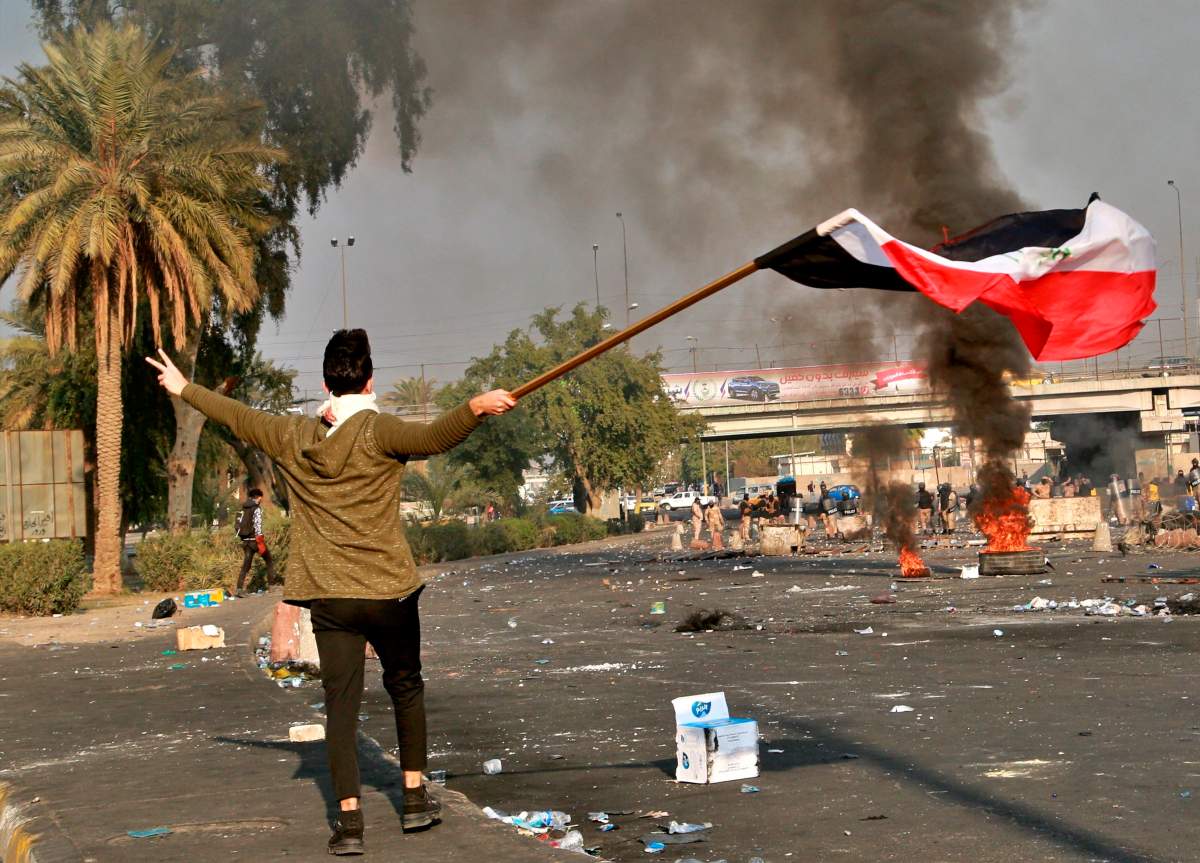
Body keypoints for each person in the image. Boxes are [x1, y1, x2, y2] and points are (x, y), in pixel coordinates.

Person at [147, 330, 516, 856]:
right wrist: (477, 406)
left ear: (325, 382)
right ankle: (414, 801)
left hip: (330, 598)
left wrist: (184, 386)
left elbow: (235, 414)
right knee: (405, 687)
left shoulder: (293, 435)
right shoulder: (380, 431)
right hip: (389, 592)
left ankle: (349, 824)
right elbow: (435, 436)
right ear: (369, 379)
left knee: (340, 708)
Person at [234, 488, 276, 596]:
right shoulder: (256, 508)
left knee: (246, 565)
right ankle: (272, 586)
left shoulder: (243, 508)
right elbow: (257, 525)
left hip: (245, 541)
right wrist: (260, 541)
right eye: (261, 497)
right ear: (258, 497)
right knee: (269, 560)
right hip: (255, 541)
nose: (261, 499)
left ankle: (239, 589)